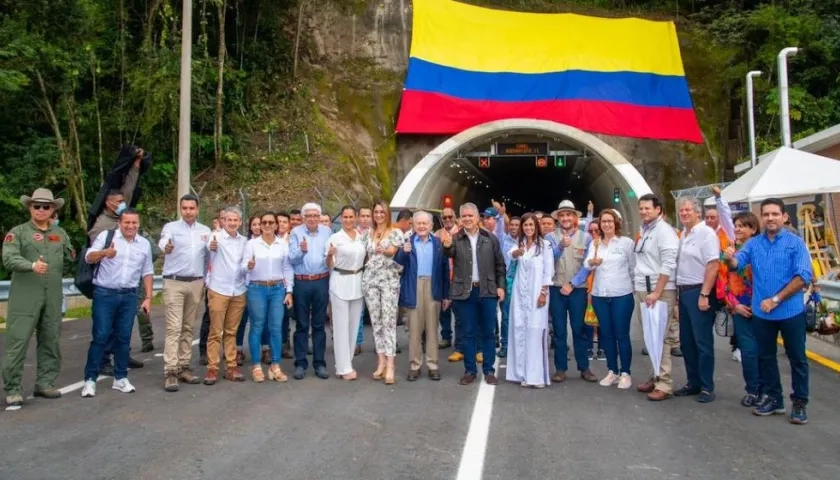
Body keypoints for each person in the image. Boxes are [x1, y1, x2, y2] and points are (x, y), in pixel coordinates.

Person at [726, 198, 813, 424]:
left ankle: (800, 402)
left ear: (784, 216)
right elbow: (738, 263)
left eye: (775, 214)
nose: (770, 218)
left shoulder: (796, 244)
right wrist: (730, 258)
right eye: (766, 214)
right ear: (761, 218)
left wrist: (776, 300)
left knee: (797, 359)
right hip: (762, 314)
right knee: (766, 358)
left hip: (790, 311)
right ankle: (774, 399)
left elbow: (803, 277)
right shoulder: (754, 244)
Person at [2, 188, 75, 410]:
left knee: (51, 340)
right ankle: (13, 389)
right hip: (25, 297)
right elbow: (9, 259)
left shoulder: (59, 234)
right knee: (18, 342)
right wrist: (31, 265)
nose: (41, 210)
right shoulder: (18, 233)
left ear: (53, 209)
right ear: (30, 208)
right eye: (37, 206)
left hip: (52, 295)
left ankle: (45, 383)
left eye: (46, 206)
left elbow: (70, 257)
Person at [81, 209, 153, 397]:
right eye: (127, 222)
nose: (130, 226)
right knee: (101, 336)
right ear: (119, 223)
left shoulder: (144, 244)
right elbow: (89, 256)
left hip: (129, 295)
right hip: (105, 293)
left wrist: (148, 298)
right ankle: (90, 380)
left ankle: (120, 378)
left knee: (123, 337)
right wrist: (105, 253)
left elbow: (147, 272)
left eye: (134, 223)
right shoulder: (106, 236)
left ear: (138, 224)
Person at [442, 202, 506, 386]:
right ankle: (470, 371)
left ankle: (489, 371)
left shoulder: (490, 239)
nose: (468, 219)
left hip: (487, 291)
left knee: (488, 333)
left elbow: (500, 264)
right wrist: (446, 245)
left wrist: (501, 286)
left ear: (478, 218)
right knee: (468, 333)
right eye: (464, 216)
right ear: (460, 219)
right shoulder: (455, 238)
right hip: (464, 293)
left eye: (471, 215)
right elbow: (448, 252)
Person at [158, 194, 211, 392]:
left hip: (196, 283)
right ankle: (170, 371)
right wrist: (166, 247)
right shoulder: (171, 228)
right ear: (180, 209)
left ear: (197, 209)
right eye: (185, 208)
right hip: (174, 283)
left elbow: (209, 255)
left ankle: (184, 367)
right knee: (174, 328)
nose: (188, 211)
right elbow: (163, 242)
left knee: (188, 327)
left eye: (191, 208)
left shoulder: (205, 231)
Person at [633, 194, 680, 401]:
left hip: (658, 290)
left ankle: (664, 383)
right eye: (641, 208)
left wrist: (657, 291)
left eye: (647, 208)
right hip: (644, 288)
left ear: (658, 209)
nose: (643, 212)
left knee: (661, 337)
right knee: (650, 336)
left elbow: (668, 263)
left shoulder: (664, 231)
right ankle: (656, 376)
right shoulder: (645, 230)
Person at [674, 197, 720, 404]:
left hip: (699, 291)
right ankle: (692, 382)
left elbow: (713, 265)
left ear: (698, 212)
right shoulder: (683, 234)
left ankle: (707, 386)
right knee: (687, 342)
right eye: (681, 210)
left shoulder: (706, 234)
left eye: (688, 210)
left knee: (702, 342)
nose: (684, 213)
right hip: (684, 291)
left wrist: (704, 294)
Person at [396, 210, 450, 382]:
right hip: (414, 286)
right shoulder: (408, 242)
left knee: (433, 329)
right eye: (418, 223)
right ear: (413, 225)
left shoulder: (438, 243)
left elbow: (445, 269)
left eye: (424, 223)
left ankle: (433, 366)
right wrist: (403, 252)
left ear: (431, 225)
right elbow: (398, 262)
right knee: (415, 330)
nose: (421, 226)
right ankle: (415, 366)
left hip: (433, 286)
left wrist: (446, 295)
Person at [585, 210, 635, 389]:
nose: (606, 224)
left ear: (616, 223)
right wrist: (592, 262)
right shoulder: (595, 243)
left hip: (621, 294)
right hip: (600, 295)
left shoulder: (626, 243)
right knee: (606, 334)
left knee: (622, 334)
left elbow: (633, 267)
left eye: (610, 221)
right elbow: (586, 263)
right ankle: (612, 370)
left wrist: (634, 288)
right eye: (603, 221)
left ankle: (625, 372)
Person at [243, 211, 294, 382]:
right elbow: (243, 267)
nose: (267, 225)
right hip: (257, 288)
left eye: (270, 222)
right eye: (264, 222)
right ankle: (257, 366)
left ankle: (275, 365)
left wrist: (289, 291)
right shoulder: (252, 244)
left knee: (276, 327)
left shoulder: (282, 244)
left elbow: (287, 268)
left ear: (276, 225)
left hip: (278, 288)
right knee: (257, 326)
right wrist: (249, 266)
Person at [548, 200, 595, 383]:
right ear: (558, 218)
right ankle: (560, 368)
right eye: (562, 215)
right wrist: (560, 247)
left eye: (569, 214)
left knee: (579, 329)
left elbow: (587, 265)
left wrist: (573, 283)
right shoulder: (550, 237)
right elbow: (547, 260)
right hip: (556, 288)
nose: (565, 218)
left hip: (577, 290)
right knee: (559, 330)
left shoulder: (586, 238)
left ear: (575, 217)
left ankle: (584, 367)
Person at [506, 213, 553, 388]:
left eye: (531, 225)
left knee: (535, 331)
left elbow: (548, 272)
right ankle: (521, 373)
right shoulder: (519, 245)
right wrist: (515, 253)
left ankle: (536, 376)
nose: (528, 228)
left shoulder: (544, 246)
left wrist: (543, 293)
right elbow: (511, 254)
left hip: (537, 294)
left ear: (536, 226)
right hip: (520, 294)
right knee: (519, 330)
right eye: (525, 225)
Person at [204, 207, 248, 384]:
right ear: (223, 221)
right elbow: (210, 246)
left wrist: (249, 266)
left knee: (231, 332)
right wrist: (212, 246)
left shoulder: (244, 241)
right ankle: (212, 369)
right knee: (215, 332)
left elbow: (244, 265)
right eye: (229, 220)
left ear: (240, 222)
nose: (232, 223)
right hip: (219, 289)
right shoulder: (215, 237)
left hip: (238, 290)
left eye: (235, 220)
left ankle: (231, 367)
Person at [362, 201, 404, 385]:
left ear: (387, 214)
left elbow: (393, 251)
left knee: (388, 322)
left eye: (382, 212)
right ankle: (381, 362)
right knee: (376, 322)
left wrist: (385, 250)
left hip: (389, 281)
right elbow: (362, 254)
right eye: (376, 212)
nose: (379, 215)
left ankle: (391, 364)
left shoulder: (395, 232)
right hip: (370, 281)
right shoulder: (366, 234)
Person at [288, 202, 332, 380]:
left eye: (315, 216)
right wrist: (301, 251)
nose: (312, 219)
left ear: (319, 217)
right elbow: (291, 258)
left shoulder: (327, 232)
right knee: (302, 324)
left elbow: (330, 255)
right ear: (303, 217)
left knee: (319, 324)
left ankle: (320, 363)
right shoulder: (295, 232)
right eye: (309, 216)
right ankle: (300, 364)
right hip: (302, 282)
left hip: (321, 280)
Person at [723, 211, 762, 407]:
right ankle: (752, 390)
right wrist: (734, 305)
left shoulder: (763, 250)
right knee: (748, 352)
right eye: (736, 225)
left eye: (742, 226)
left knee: (765, 353)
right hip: (740, 309)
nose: (738, 229)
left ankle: (768, 391)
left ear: (753, 229)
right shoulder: (729, 253)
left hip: (763, 308)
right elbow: (724, 284)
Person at [325, 205, 367, 380]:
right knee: (341, 327)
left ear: (356, 218)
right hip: (340, 283)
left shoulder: (362, 237)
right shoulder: (335, 238)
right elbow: (329, 264)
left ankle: (346, 363)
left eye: (351, 217)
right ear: (341, 219)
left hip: (357, 283)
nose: (348, 220)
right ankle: (343, 367)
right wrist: (329, 255)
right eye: (345, 217)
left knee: (353, 326)